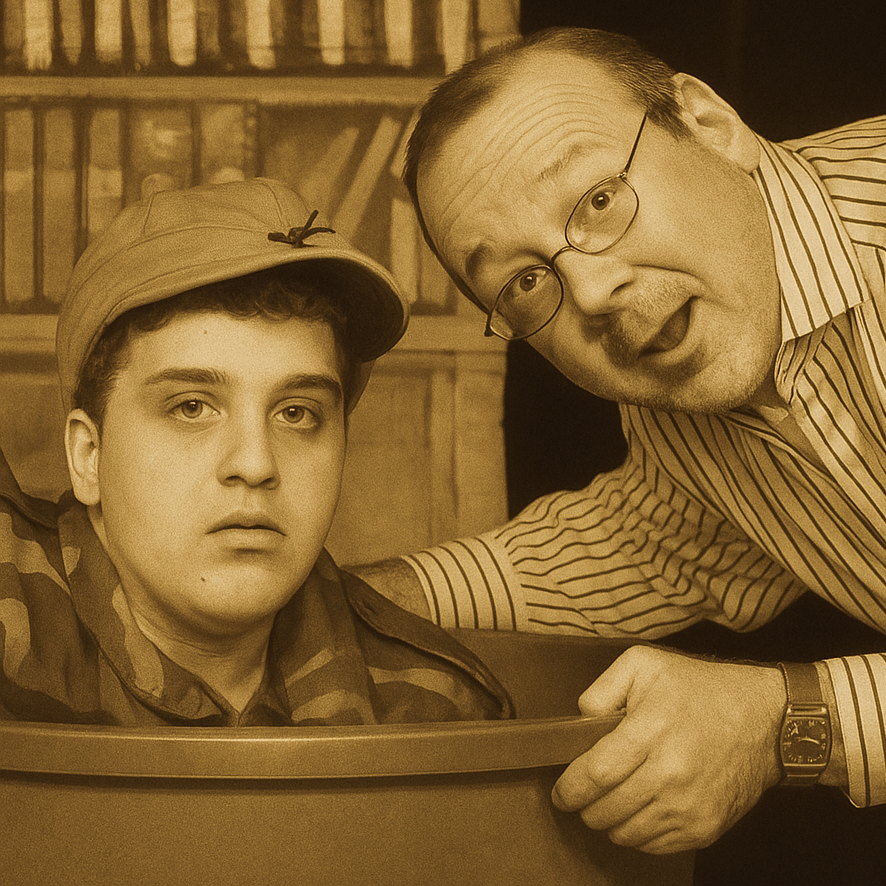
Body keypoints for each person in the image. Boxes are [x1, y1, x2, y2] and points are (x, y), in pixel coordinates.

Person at [353, 25, 886, 857]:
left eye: (598, 200)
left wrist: (783, 723)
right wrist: (341, 604)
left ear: (710, 124)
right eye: (527, 283)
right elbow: (648, 544)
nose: (592, 292)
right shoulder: (689, 379)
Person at [0, 177, 511, 726]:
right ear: (88, 455)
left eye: (297, 413)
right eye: (191, 407)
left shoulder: (437, 709)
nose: (255, 464)